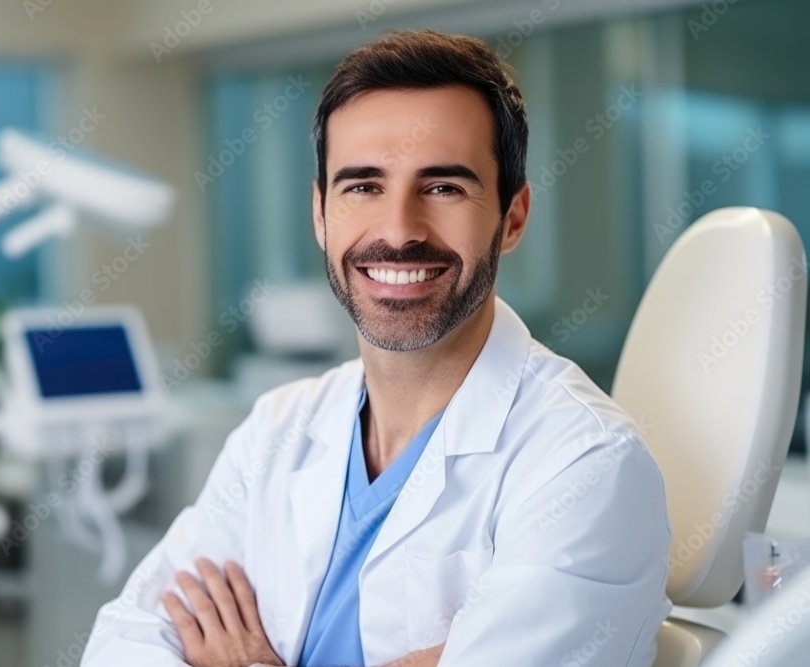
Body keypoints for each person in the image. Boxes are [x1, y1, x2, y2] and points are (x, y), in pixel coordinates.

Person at [82, 28, 671, 667]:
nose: (398, 231)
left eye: (444, 187)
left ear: (514, 217)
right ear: (320, 214)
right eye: (363, 186)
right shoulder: (278, 429)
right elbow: (126, 641)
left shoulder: (585, 466)